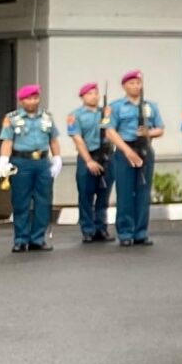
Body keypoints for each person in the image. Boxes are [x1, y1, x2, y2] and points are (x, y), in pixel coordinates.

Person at [105, 71, 165, 247]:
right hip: (125, 151)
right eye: (131, 83)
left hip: (145, 150)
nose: (136, 86)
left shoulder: (150, 106)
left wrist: (148, 132)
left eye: (138, 83)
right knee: (125, 193)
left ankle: (141, 232)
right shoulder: (115, 106)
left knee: (143, 192)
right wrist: (126, 151)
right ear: (124, 86)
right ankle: (125, 232)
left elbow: (160, 128)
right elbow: (110, 131)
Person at [0, 85, 58, 252]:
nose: (32, 101)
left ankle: (38, 239)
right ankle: (20, 239)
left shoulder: (47, 117)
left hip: (42, 162)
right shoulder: (12, 118)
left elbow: (53, 139)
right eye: (28, 98)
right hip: (21, 162)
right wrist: (3, 160)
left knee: (43, 201)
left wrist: (57, 158)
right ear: (22, 100)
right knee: (20, 201)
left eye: (35, 98)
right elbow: (7, 141)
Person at [66, 83, 110, 244]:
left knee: (103, 194)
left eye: (96, 93)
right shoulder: (75, 115)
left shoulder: (105, 113)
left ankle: (101, 228)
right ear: (82, 97)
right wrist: (89, 161)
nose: (94, 96)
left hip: (106, 156)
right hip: (87, 156)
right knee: (86, 194)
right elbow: (77, 139)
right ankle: (87, 230)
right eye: (90, 94)